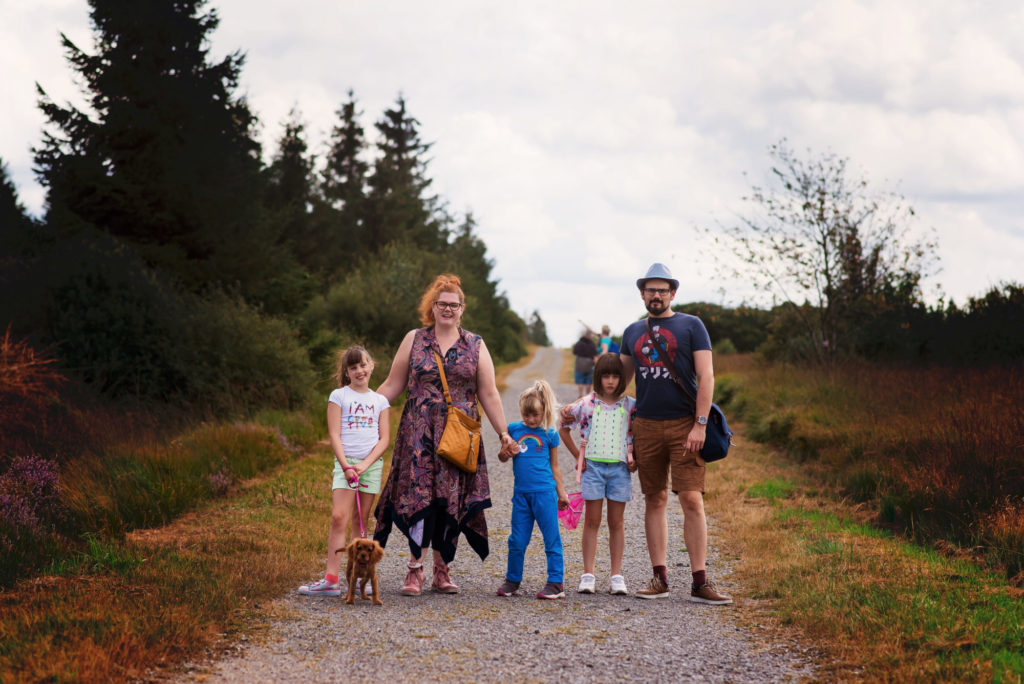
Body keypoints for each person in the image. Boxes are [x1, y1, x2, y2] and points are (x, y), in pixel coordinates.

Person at [374, 274, 517, 596]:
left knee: (449, 500)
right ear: (432, 307)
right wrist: (362, 408)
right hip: (418, 434)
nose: (448, 309)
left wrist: (504, 433)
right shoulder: (414, 339)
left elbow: (490, 394)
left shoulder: (475, 344)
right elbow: (392, 384)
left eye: (454, 305)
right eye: (442, 304)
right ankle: (415, 570)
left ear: (462, 309)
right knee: (418, 498)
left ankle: (442, 570)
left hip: (457, 435)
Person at [299, 346, 390, 597]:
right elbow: (334, 435)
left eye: (363, 365)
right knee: (339, 517)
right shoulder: (339, 396)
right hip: (345, 464)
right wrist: (347, 466)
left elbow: (384, 440)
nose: (359, 371)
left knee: (361, 523)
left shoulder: (380, 401)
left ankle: (361, 578)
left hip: (369, 466)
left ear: (372, 365)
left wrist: (364, 465)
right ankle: (331, 579)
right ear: (346, 372)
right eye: (353, 367)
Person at [559, 353, 636, 595]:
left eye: (615, 376)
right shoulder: (585, 405)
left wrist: (637, 458)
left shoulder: (631, 406)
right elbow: (563, 429)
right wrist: (578, 459)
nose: (611, 381)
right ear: (598, 378)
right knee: (591, 522)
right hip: (592, 469)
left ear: (622, 379)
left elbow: (642, 435)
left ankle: (616, 575)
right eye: (606, 376)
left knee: (617, 523)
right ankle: (588, 574)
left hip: (620, 471)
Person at [496, 380, 570, 600]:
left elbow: (555, 467)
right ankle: (512, 580)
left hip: (545, 494)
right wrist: (507, 453)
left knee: (551, 539)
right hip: (521, 496)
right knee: (517, 540)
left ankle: (556, 583)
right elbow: (501, 456)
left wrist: (562, 493)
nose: (530, 420)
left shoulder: (550, 434)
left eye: (535, 415)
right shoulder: (513, 430)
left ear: (544, 411)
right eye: (526, 415)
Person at [571, 329, 599, 399]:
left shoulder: (579, 343)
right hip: (589, 363)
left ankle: (580, 395)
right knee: (588, 381)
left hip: (579, 363)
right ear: (590, 336)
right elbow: (595, 354)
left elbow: (574, 352)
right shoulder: (592, 344)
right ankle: (587, 396)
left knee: (580, 380)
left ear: (584, 335)